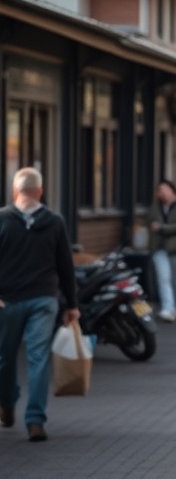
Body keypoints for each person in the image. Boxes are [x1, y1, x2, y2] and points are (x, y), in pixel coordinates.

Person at [0, 167, 79, 442]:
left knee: (5, 358)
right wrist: (72, 304)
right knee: (38, 359)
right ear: (40, 191)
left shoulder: (2, 219)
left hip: (7, 301)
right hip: (44, 299)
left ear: (15, 191)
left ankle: (7, 405)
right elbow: (65, 265)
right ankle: (35, 421)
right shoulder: (55, 222)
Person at [145, 179, 176, 322]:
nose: (162, 193)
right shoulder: (155, 206)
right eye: (160, 190)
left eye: (165, 190)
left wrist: (162, 228)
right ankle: (167, 308)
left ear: (173, 191)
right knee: (163, 278)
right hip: (159, 247)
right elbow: (149, 221)